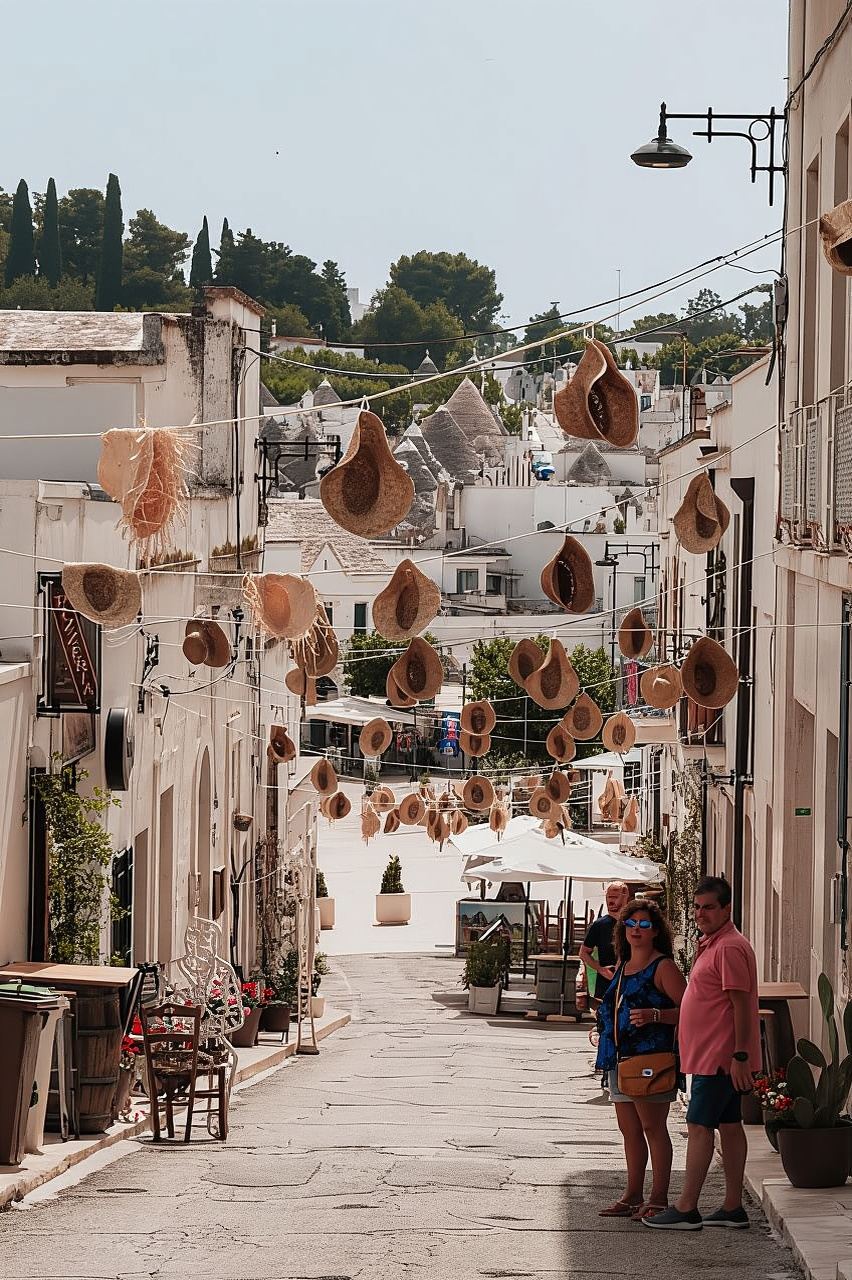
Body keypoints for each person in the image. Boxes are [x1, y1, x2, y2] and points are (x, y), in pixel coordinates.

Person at [644, 875, 760, 1231]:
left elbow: (740, 1005)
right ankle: (731, 1208)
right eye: (696, 907)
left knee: (698, 1126)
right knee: (729, 1124)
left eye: (709, 907)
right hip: (713, 1056)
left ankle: (686, 1207)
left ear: (726, 909)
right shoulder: (714, 943)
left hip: (719, 1057)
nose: (700, 914)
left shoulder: (728, 947)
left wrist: (740, 1055)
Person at [595, 899, 687, 1220]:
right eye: (631, 924)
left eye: (644, 924)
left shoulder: (663, 967)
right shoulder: (623, 965)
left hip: (651, 1059)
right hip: (620, 1060)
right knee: (629, 1130)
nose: (637, 929)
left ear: (656, 931)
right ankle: (633, 1196)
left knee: (653, 1127)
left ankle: (658, 1198)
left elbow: (690, 1011)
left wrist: (656, 1014)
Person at [579, 881, 630, 1004]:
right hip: (606, 983)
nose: (611, 901)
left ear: (625, 897)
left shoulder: (632, 923)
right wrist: (600, 969)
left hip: (629, 980)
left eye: (615, 897)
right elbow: (583, 953)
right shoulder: (599, 925)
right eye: (608, 897)